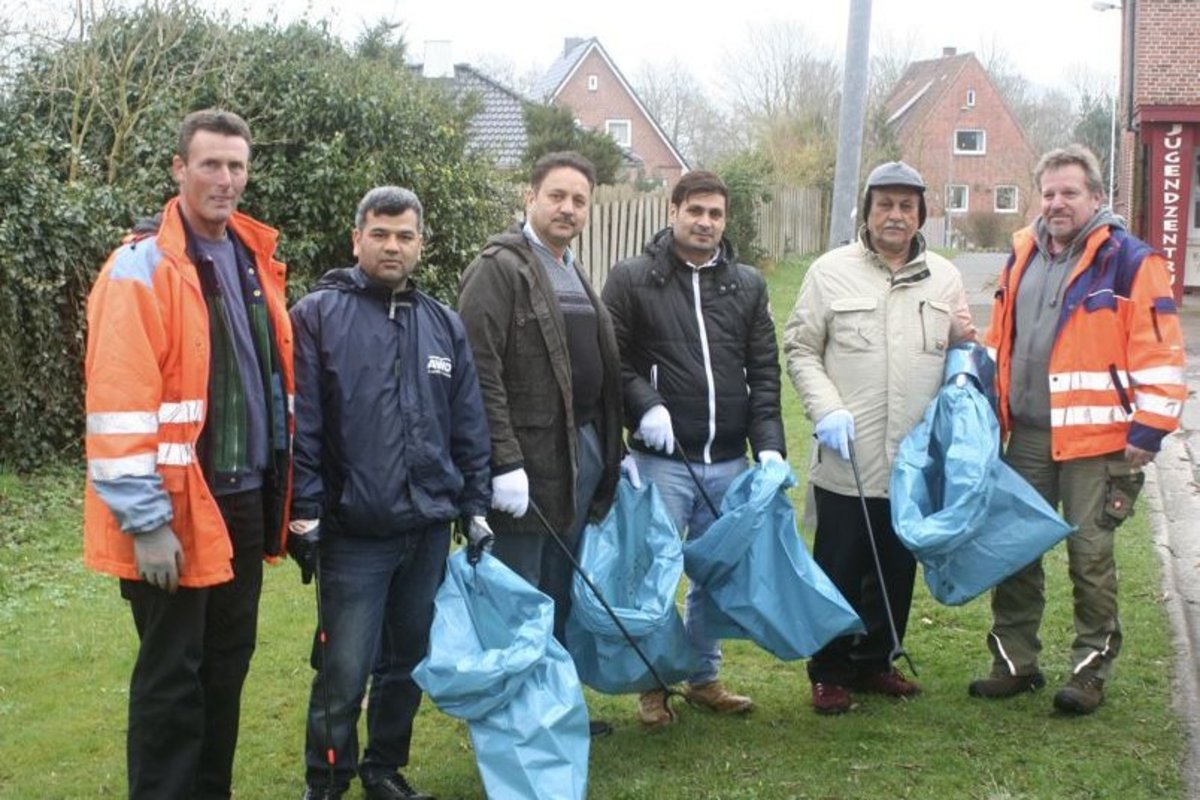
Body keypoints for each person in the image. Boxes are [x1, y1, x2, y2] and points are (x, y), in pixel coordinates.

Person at [83, 109, 293, 799]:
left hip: (242, 502)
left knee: (226, 671)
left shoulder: (253, 259)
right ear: (179, 169)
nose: (225, 179)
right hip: (174, 512)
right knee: (172, 683)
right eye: (210, 164)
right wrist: (145, 523)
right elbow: (117, 407)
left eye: (237, 165)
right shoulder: (140, 268)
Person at [966, 145, 1186, 715]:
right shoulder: (1022, 253)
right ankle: (1014, 663)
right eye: (1049, 193)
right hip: (1027, 435)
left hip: (1099, 442)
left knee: (1090, 557)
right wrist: (986, 402)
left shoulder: (1131, 262)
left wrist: (1150, 427)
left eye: (1069, 192)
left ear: (1096, 197)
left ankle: (1090, 671)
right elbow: (1003, 338)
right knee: (1015, 551)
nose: (1057, 203)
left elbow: (1161, 351)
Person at [288, 186, 492, 799]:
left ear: (420, 244)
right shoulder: (317, 316)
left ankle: (383, 769)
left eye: (405, 236)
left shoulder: (443, 324)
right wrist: (304, 510)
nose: (392, 246)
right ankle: (327, 781)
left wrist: (475, 505)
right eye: (380, 234)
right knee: (344, 667)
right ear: (357, 239)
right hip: (355, 531)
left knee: (406, 663)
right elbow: (302, 425)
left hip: (427, 528)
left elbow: (468, 423)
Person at [784, 160, 975, 715]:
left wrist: (968, 366)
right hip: (848, 454)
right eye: (885, 204)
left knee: (895, 567)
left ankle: (876, 661)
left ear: (921, 215)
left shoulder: (944, 277)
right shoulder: (830, 271)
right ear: (866, 212)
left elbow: (962, 346)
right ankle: (829, 670)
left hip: (912, 459)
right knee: (839, 567)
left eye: (907, 206)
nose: (896, 215)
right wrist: (826, 409)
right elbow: (800, 349)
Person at [601, 170, 786, 728]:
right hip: (662, 461)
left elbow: (764, 372)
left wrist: (769, 446)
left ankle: (704, 678)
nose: (705, 222)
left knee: (715, 575)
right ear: (673, 211)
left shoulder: (746, 285)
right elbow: (612, 361)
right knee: (652, 575)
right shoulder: (632, 279)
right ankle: (652, 686)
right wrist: (645, 406)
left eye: (715, 214)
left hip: (728, 459)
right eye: (696, 211)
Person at [457, 151, 623, 737]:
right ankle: (514, 716)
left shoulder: (572, 269)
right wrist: (503, 460)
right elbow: (479, 371)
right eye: (556, 196)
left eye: (579, 200)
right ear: (529, 198)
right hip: (526, 462)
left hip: (580, 451)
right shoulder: (498, 269)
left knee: (559, 587)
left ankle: (553, 708)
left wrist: (612, 449)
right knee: (520, 591)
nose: (567, 208)